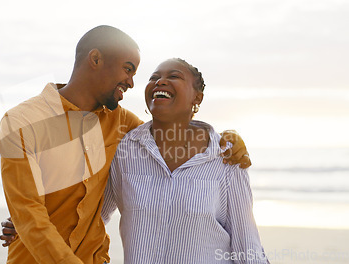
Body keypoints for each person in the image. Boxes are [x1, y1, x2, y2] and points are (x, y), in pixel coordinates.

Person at [0, 26, 251, 264]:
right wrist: (21, 221)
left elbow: (171, 130)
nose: (131, 82)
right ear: (95, 59)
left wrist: (227, 138)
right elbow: (29, 213)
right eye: (128, 69)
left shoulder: (123, 124)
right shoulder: (21, 122)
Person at [100, 58, 268, 263]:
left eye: (174, 76)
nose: (160, 82)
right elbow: (95, 218)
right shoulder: (125, 150)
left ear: (197, 97)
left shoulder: (226, 157)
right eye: (154, 78)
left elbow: (247, 247)